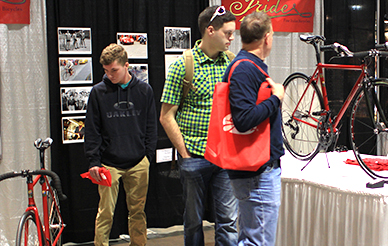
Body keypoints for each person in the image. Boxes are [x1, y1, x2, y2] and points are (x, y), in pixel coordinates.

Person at [159, 5, 238, 246]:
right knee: (193, 221)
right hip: (195, 155)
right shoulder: (183, 65)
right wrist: (184, 154)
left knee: (228, 221)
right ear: (210, 30)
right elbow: (166, 115)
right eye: (228, 33)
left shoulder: (233, 63)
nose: (232, 38)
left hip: (225, 157)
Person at [84, 43, 157, 246]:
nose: (110, 75)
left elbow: (151, 125)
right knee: (105, 212)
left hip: (137, 161)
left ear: (127, 65)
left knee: (137, 211)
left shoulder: (144, 90)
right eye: (106, 71)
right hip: (108, 163)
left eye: (114, 70)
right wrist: (94, 162)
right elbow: (92, 130)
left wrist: (147, 156)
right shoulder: (98, 92)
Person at [222, 11, 284, 245]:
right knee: (257, 241)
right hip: (256, 172)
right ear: (267, 38)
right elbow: (244, 119)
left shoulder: (247, 66)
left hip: (257, 169)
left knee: (253, 238)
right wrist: (276, 99)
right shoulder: (245, 69)